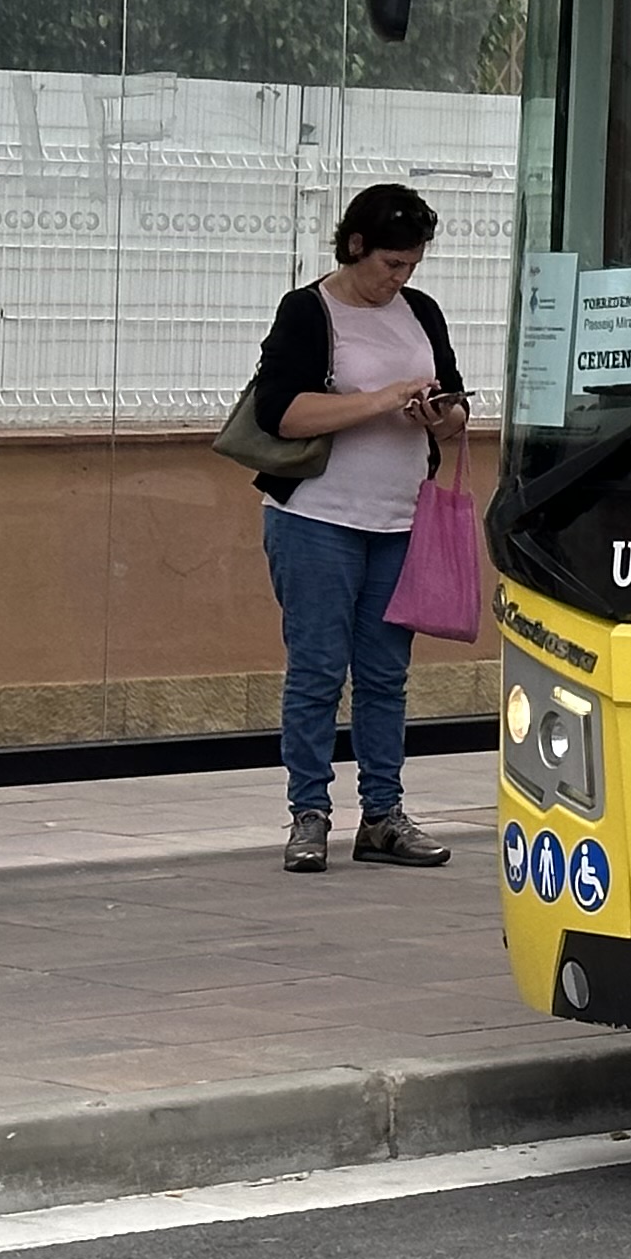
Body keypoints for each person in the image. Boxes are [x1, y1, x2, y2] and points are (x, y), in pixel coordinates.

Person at [250, 183, 468, 875]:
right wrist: (378, 400)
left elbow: (458, 407)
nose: (399, 279)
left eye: (410, 266)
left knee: (385, 676)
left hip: (398, 518)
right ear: (354, 247)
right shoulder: (309, 311)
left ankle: (383, 814)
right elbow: (280, 414)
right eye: (389, 265)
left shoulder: (420, 313)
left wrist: (438, 415)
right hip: (317, 516)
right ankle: (308, 813)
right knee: (316, 670)